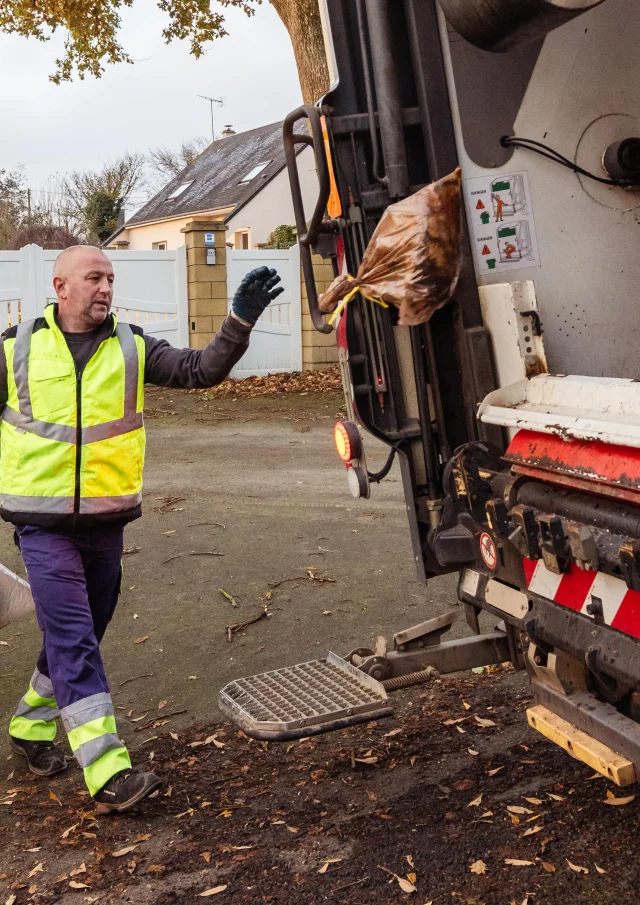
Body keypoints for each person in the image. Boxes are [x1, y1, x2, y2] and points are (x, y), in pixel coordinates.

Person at [2, 246, 283, 813]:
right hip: (42, 527)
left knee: (83, 631)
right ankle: (108, 774)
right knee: (76, 638)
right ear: (60, 286)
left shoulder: (131, 346)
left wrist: (240, 320)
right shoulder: (16, 349)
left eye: (110, 278)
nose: (105, 288)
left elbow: (201, 370)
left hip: (106, 527)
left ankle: (31, 729)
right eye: (93, 278)